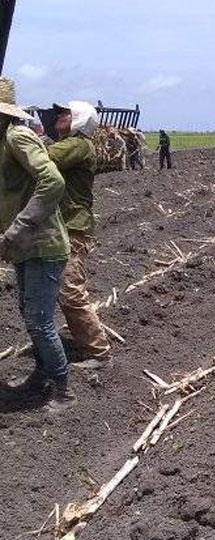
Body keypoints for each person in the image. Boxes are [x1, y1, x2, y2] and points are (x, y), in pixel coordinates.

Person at [0, 78, 74, 411]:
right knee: (28, 315)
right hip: (23, 246)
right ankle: (43, 372)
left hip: (43, 243)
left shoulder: (16, 137)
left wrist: (21, 225)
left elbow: (53, 180)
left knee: (40, 318)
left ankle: (63, 390)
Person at [48, 101, 111, 369]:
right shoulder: (70, 144)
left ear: (79, 120)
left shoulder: (78, 145)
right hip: (60, 226)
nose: (59, 116)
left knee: (70, 291)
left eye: (65, 113)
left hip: (72, 228)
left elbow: (43, 157)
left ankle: (99, 353)